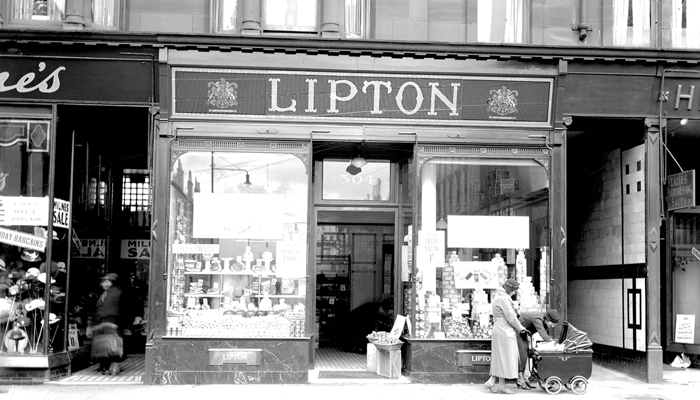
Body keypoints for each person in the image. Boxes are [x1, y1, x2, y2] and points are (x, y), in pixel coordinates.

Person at [485, 278, 527, 394]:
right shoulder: (504, 299)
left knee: (501, 358)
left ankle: (496, 383)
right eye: (514, 291)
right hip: (505, 330)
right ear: (509, 290)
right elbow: (511, 317)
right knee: (507, 357)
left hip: (500, 329)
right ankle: (496, 383)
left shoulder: (499, 297)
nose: (514, 293)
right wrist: (521, 328)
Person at [515, 309, 560, 389]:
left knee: (529, 353)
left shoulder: (544, 320)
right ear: (547, 319)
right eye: (552, 323)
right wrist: (555, 344)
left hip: (525, 333)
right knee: (523, 353)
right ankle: (520, 378)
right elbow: (543, 334)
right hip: (518, 332)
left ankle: (525, 378)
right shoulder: (538, 319)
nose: (552, 326)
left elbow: (544, 334)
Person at [90, 273, 123, 375]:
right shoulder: (106, 293)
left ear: (112, 282)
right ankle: (104, 364)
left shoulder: (115, 293)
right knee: (104, 343)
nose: (104, 283)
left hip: (110, 321)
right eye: (103, 281)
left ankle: (109, 365)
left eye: (107, 281)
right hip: (104, 321)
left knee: (110, 343)